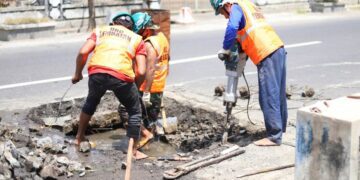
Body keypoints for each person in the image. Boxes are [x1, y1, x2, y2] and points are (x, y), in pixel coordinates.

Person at [210, 0, 288, 146]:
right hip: (278, 48)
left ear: (225, 5)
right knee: (278, 93)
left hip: (266, 53)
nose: (225, 17)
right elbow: (247, 31)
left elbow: (232, 26)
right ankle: (280, 129)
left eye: (222, 13)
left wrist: (226, 48)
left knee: (268, 96)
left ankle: (274, 137)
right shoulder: (248, 5)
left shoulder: (236, 8)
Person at [71, 12, 148, 159]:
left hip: (97, 72)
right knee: (134, 111)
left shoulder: (100, 31)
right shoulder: (137, 39)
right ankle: (133, 152)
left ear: (113, 23)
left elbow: (83, 52)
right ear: (131, 28)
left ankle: (79, 137)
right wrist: (135, 89)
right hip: (122, 76)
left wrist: (77, 74)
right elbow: (142, 70)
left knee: (91, 103)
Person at [132, 12, 170, 146]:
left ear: (147, 29)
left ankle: (148, 143)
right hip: (159, 84)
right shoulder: (162, 37)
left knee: (146, 117)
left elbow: (150, 69)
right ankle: (153, 140)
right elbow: (167, 59)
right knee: (153, 114)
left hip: (150, 86)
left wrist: (146, 92)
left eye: (140, 31)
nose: (139, 35)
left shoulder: (149, 44)